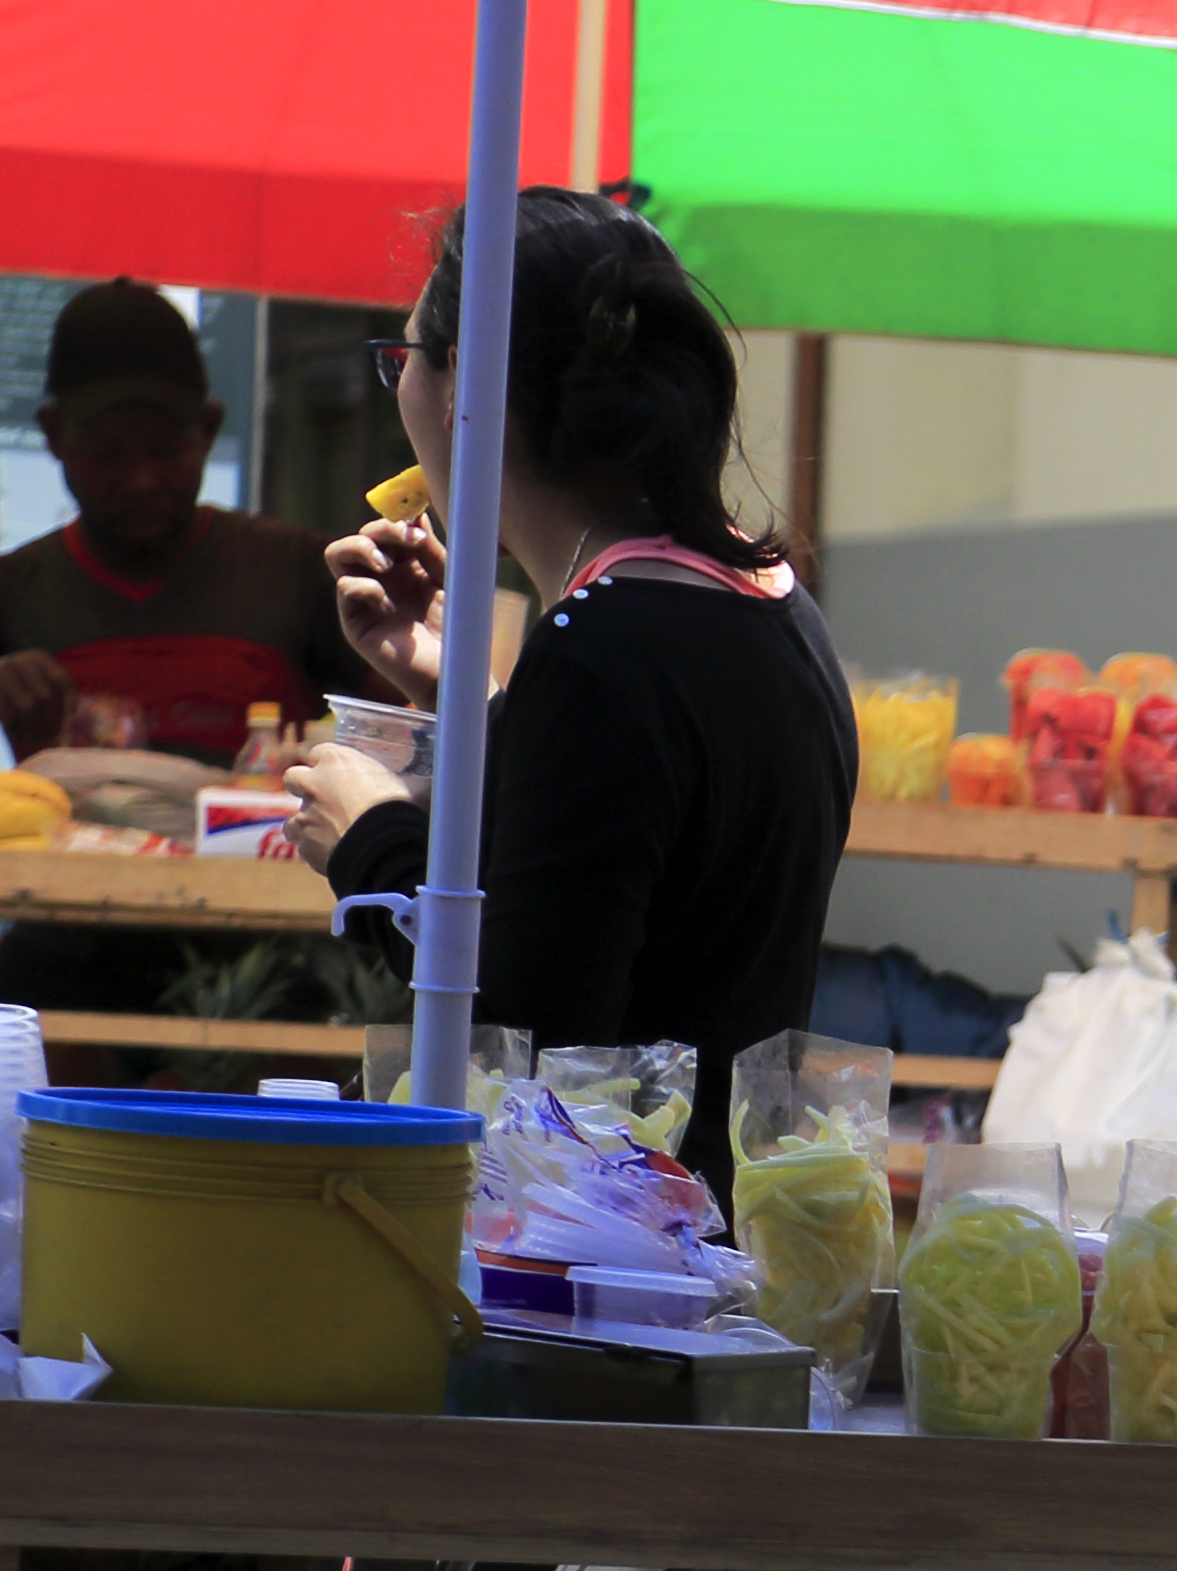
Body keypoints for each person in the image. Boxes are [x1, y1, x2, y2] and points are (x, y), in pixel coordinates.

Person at [275, 192, 856, 1191]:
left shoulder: (602, 650)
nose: (398, 389)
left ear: (470, 388)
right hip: (725, 1219)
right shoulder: (769, 606)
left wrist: (368, 843)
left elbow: (520, 1037)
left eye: (403, 358)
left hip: (610, 1264)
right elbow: (630, 836)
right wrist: (461, 695)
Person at [0, 280, 393, 1015]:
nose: (141, 478)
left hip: (273, 968)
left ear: (209, 429)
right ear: (51, 434)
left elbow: (404, 751)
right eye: (107, 453)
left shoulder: (301, 574)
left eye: (167, 449)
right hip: (62, 969)